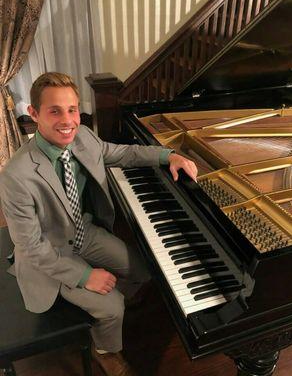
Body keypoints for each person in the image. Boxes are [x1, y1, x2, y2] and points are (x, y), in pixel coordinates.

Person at [0, 72, 197, 376]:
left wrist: (167, 155)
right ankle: (105, 349)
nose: (67, 120)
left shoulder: (84, 137)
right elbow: (32, 247)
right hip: (49, 255)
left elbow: (120, 152)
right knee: (113, 305)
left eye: (72, 109)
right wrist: (84, 276)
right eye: (55, 111)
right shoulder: (16, 174)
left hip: (84, 232)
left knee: (144, 270)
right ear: (34, 114)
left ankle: (104, 314)